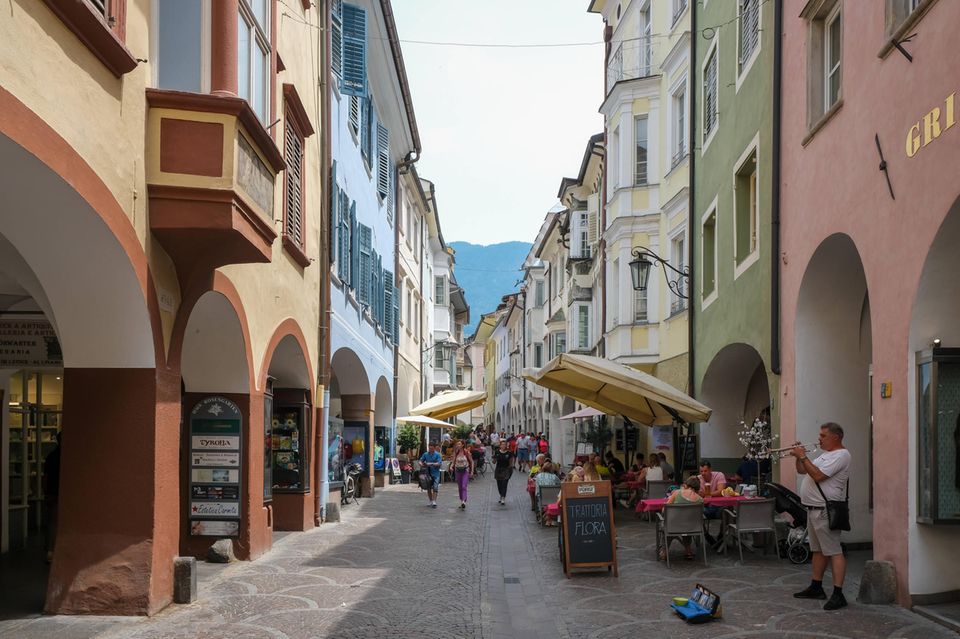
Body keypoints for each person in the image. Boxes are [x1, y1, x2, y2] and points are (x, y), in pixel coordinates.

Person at [791, 422, 851, 611]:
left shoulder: (842, 455)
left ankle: (838, 594)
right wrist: (799, 458)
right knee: (817, 550)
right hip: (813, 509)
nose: (819, 438)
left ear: (836, 437)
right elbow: (803, 471)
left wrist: (803, 456)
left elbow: (817, 476)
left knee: (834, 551)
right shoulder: (825, 455)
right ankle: (816, 587)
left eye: (823, 435)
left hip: (825, 510)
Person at [659, 477, 704, 561]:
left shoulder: (677, 493)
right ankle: (688, 551)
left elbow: (664, 510)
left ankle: (664, 552)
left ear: (686, 485)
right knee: (686, 522)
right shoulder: (700, 500)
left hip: (673, 527)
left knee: (667, 524)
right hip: (691, 527)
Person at [43, 431, 62, 562]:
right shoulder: (68, 457)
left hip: (51, 492)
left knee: (52, 522)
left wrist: (45, 492)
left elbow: (46, 477)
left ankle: (50, 550)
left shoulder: (51, 457)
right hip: (61, 493)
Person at [450, 441, 474, 510]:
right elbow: (453, 461)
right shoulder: (456, 452)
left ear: (463, 445)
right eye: (457, 444)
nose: (458, 445)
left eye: (459, 444)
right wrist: (451, 466)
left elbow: (471, 462)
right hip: (458, 471)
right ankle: (462, 500)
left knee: (464, 486)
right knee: (460, 487)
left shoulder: (466, 452)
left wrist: (472, 471)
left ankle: (463, 501)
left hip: (465, 471)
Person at [419, 442, 443, 508]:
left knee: (435, 487)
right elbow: (421, 460)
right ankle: (431, 501)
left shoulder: (438, 455)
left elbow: (439, 463)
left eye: (432, 448)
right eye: (429, 448)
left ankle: (434, 501)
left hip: (436, 473)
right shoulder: (425, 454)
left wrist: (431, 464)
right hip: (428, 473)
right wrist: (420, 463)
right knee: (428, 487)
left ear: (434, 448)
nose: (430, 449)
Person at [493, 440, 515, 505]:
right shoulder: (497, 452)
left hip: (506, 470)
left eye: (504, 444)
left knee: (504, 483)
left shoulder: (509, 453)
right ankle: (501, 494)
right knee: (499, 484)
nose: (503, 446)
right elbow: (494, 462)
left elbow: (511, 463)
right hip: (498, 470)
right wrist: (494, 458)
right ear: (500, 445)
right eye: (502, 444)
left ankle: (503, 497)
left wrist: (510, 470)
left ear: (506, 445)